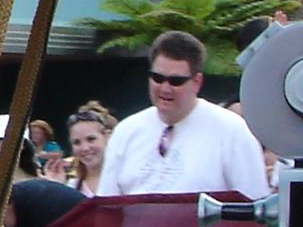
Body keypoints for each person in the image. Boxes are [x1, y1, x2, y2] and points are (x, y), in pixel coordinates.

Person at [95, 31, 269, 198]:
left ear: (196, 82)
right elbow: (105, 207)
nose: (165, 88)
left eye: (175, 81)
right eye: (157, 78)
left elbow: (253, 204)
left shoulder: (233, 131)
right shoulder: (126, 131)